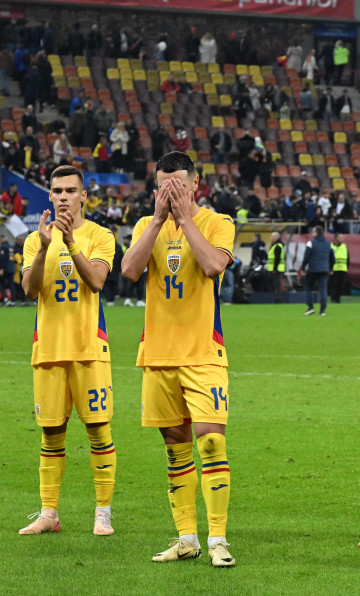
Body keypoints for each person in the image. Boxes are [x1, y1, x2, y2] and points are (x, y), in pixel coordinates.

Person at [120, 151, 236, 567]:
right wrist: (155, 221)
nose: (172, 193)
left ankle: (219, 538)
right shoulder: (142, 225)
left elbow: (212, 266)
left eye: (179, 186)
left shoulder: (217, 222)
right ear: (155, 190)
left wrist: (185, 219)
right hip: (158, 353)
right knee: (175, 447)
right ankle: (187, 537)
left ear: (194, 186)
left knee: (210, 438)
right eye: (165, 186)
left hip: (204, 351)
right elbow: (130, 271)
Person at [17, 166, 117, 537]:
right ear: (49, 195)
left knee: (98, 430)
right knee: (51, 434)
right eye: (57, 191)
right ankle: (48, 514)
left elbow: (95, 281)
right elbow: (29, 291)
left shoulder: (100, 236)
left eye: (70, 191)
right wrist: (45, 247)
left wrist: (70, 241)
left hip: (89, 348)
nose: (63, 197)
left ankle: (102, 513)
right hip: (49, 349)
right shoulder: (33, 240)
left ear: (83, 196)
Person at [300, 226, 333, 316]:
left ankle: (310, 307)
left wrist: (303, 268)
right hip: (324, 269)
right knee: (323, 289)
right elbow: (332, 257)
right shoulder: (328, 243)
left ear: (316, 233)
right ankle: (322, 310)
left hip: (313, 269)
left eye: (313, 232)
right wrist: (331, 268)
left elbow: (306, 257)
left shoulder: (311, 243)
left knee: (308, 287)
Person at [329, 233, 348, 303]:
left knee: (341, 284)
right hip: (333, 269)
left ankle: (338, 298)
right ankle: (333, 298)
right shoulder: (331, 246)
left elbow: (348, 258)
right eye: (340, 237)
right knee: (333, 284)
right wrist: (329, 268)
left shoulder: (344, 246)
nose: (342, 239)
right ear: (335, 238)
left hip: (342, 268)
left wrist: (347, 268)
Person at [267, 231, 285, 303]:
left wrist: (275, 268)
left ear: (277, 237)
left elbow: (277, 258)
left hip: (277, 269)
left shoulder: (277, 246)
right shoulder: (276, 245)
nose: (271, 238)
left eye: (272, 237)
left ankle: (278, 300)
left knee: (278, 285)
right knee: (276, 285)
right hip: (276, 268)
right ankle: (277, 299)